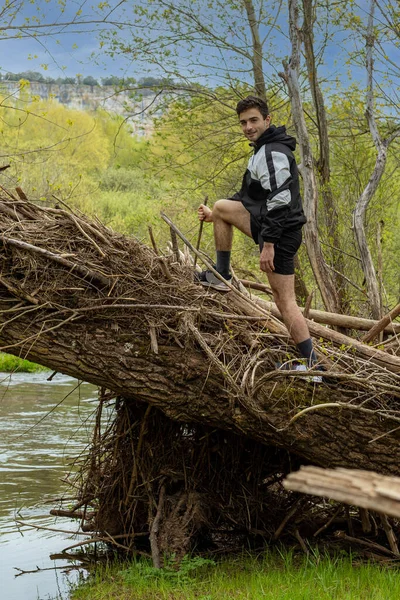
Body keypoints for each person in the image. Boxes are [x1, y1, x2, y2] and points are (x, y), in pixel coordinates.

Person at [196, 95, 319, 370]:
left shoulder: (272, 152)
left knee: (285, 301)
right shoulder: (261, 149)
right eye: (243, 122)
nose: (248, 127)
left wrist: (269, 244)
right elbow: (246, 198)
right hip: (269, 225)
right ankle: (222, 274)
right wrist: (216, 215)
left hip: (281, 233)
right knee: (221, 206)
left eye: (253, 120)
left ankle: (313, 367)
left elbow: (280, 199)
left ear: (267, 120)